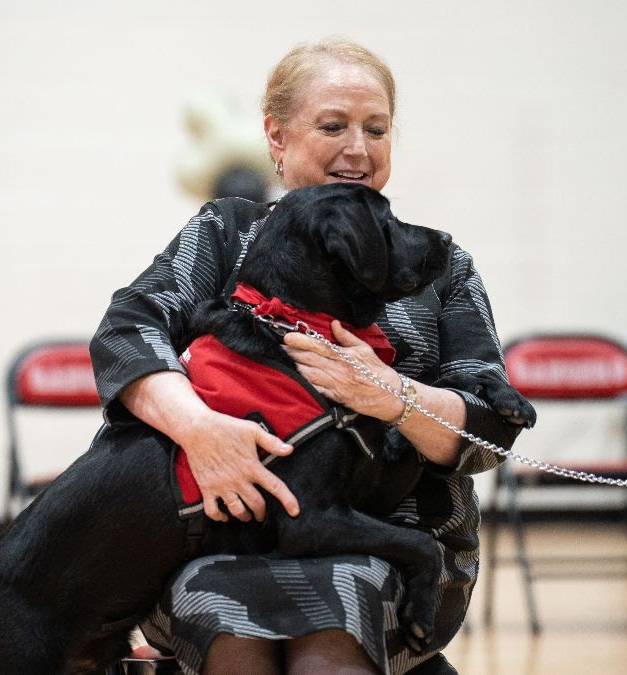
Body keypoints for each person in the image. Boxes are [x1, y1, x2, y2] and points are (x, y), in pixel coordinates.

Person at [89, 38, 535, 675]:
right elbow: (126, 333)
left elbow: (490, 430)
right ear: (276, 137)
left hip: (396, 545)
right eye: (333, 125)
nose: (357, 147)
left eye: (375, 129)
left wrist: (395, 399)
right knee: (226, 622)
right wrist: (200, 431)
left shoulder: (437, 265)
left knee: (336, 623)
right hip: (214, 535)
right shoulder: (225, 234)